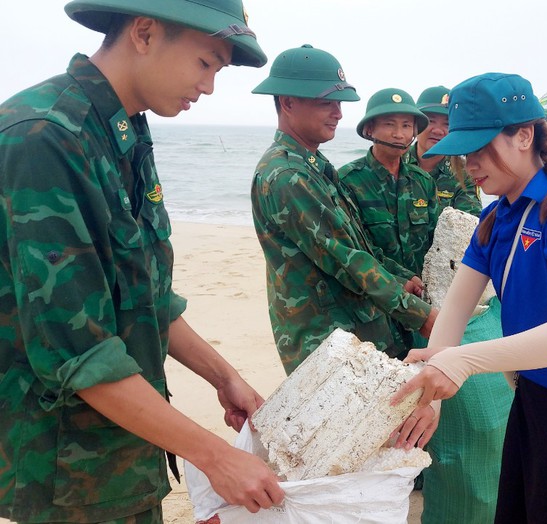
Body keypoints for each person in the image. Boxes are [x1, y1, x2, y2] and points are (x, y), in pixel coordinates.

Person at [0, 2, 284, 522]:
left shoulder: (124, 128)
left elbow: (146, 294)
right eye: (206, 63)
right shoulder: (44, 138)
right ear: (146, 33)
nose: (210, 87)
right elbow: (79, 356)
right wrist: (215, 456)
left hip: (131, 446)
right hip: (66, 471)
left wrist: (224, 377)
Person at [392, 73, 547, 523]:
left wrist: (462, 361)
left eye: (483, 147)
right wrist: (435, 392)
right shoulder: (495, 217)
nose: (472, 163)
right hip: (530, 392)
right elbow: (455, 311)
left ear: (525, 135)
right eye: (466, 151)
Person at [250, 45, 439, 445]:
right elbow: (348, 260)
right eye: (326, 102)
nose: (338, 111)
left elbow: (363, 243)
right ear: (287, 102)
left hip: (357, 332)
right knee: (346, 455)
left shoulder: (315, 167)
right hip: (324, 343)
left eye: (339, 101)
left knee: (376, 449)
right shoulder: (287, 175)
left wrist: (401, 278)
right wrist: (421, 315)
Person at [339, 88, 439, 278]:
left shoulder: (424, 182)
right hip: (372, 298)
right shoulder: (347, 181)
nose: (399, 134)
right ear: (370, 129)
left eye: (406, 126)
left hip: (421, 299)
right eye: (389, 124)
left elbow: (436, 244)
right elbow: (354, 250)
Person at [405, 86, 483, 216]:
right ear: (415, 124)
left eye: (447, 124)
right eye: (430, 121)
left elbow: (468, 223)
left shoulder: (465, 173)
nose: (438, 130)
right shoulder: (395, 164)